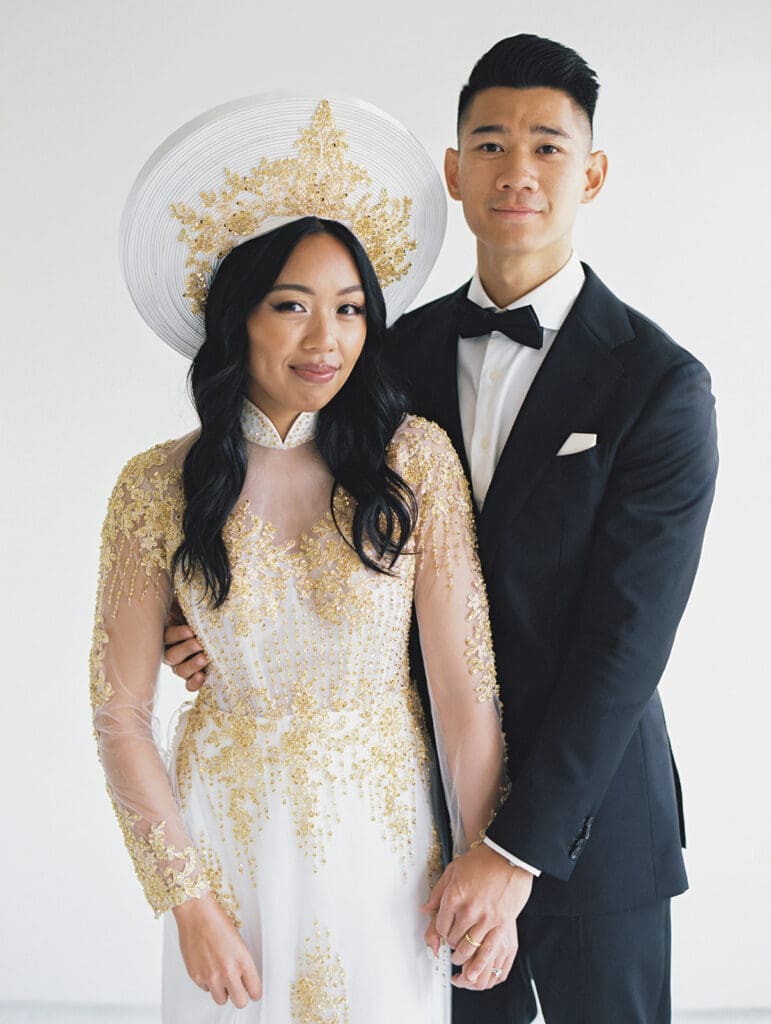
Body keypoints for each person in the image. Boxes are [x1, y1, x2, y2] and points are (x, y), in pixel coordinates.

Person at [164, 34, 719, 1024]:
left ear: (591, 173)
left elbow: (625, 645)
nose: (519, 171)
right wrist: (211, 615)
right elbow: (283, 502)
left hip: (593, 827)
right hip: (414, 830)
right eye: (492, 144)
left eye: (548, 146)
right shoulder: (382, 355)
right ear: (456, 171)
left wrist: (513, 851)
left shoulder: (660, 384)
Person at [90, 95, 512, 1023]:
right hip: (224, 844)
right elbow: (119, 711)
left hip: (386, 841)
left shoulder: (413, 461)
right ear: (237, 315)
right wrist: (187, 903)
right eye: (292, 306)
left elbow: (460, 686)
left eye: (351, 309)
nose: (328, 340)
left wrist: (484, 863)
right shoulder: (155, 486)